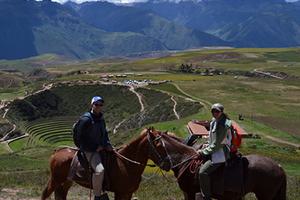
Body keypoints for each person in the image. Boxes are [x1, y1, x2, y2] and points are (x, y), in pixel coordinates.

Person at [76, 96, 113, 200]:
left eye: (100, 105)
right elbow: (80, 138)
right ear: (92, 105)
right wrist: (94, 148)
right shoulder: (86, 119)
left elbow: (104, 133)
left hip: (102, 147)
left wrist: (107, 144)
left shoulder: (101, 118)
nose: (98, 107)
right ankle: (97, 196)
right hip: (90, 150)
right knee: (100, 170)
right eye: (96, 104)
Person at [194, 103, 232, 200]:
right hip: (215, 148)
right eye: (213, 111)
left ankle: (206, 197)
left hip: (221, 152)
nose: (214, 113)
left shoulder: (223, 124)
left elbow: (217, 145)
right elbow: (212, 138)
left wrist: (203, 152)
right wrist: (206, 144)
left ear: (221, 112)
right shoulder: (215, 121)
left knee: (202, 172)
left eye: (217, 111)